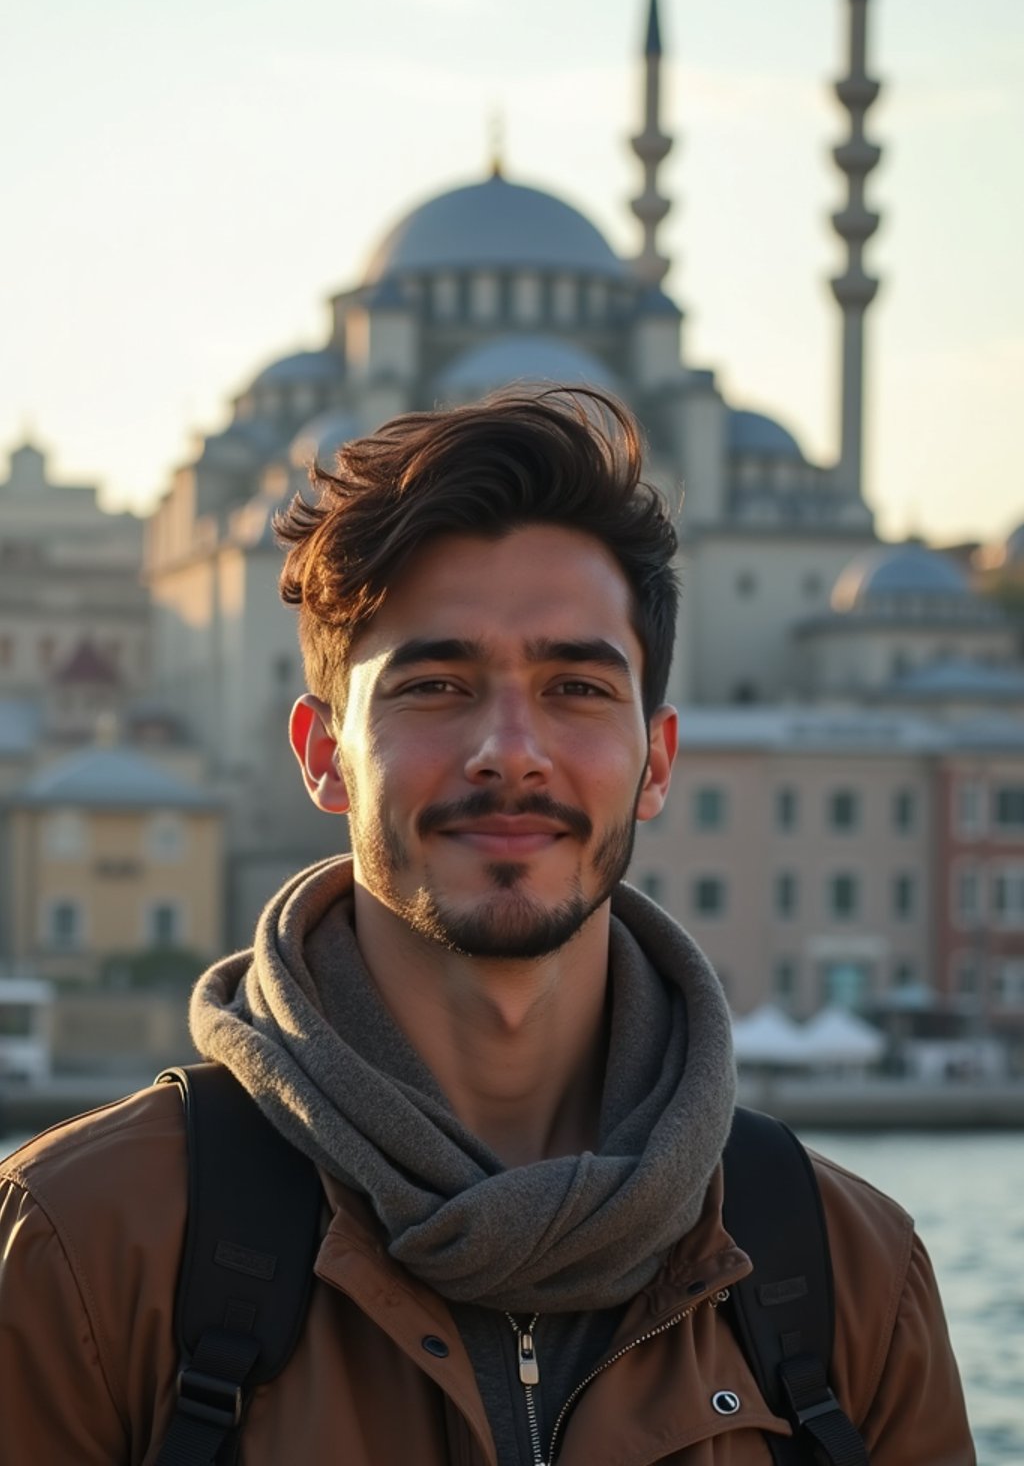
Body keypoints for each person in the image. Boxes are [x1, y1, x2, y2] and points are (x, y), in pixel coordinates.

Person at [0, 387, 973, 1464]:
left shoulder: (848, 1274)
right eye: (436, 684)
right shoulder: (87, 1248)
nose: (509, 751)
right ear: (324, 755)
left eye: (575, 688)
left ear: (655, 762)